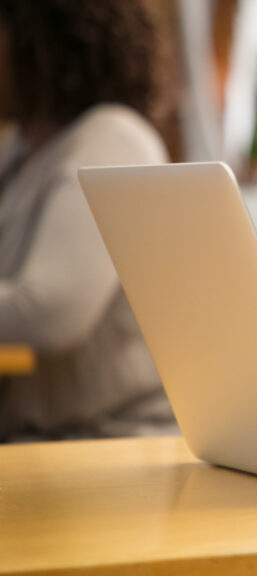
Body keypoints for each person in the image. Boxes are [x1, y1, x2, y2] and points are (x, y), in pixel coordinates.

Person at [0, 0, 177, 440]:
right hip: (41, 437)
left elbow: (50, 312)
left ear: (38, 42)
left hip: (111, 441)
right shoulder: (20, 151)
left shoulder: (110, 139)